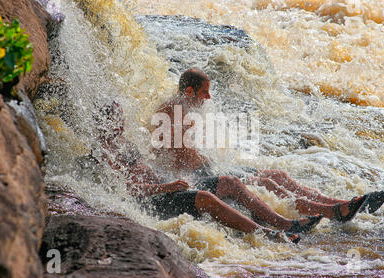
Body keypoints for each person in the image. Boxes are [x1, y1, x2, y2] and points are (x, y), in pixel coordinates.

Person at [151, 68, 384, 224]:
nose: (209, 98)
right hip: (195, 178)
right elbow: (177, 160)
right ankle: (334, 212)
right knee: (266, 182)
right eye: (205, 92)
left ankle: (338, 203)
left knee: (278, 175)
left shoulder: (186, 108)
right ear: (189, 91)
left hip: (209, 169)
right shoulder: (171, 113)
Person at [94, 101, 318, 244]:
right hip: (153, 202)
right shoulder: (102, 154)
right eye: (116, 118)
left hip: (167, 189)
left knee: (229, 181)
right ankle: (266, 234)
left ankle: (284, 223)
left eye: (120, 117)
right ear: (104, 123)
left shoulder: (123, 144)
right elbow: (127, 189)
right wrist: (167, 187)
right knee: (204, 198)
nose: (122, 123)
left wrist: (171, 178)